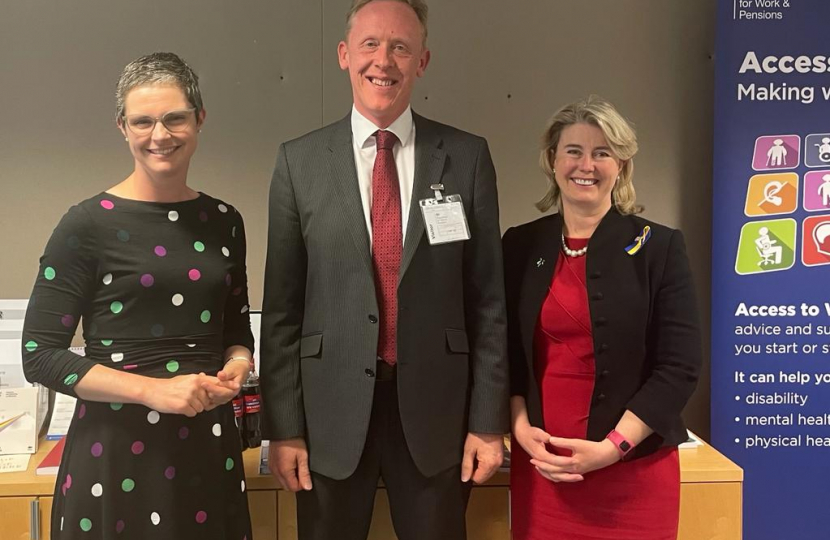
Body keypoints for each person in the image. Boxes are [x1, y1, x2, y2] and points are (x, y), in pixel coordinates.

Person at [259, 1, 509, 538]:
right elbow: (282, 309)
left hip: (437, 416)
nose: (384, 60)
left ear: (422, 61)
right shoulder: (298, 162)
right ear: (345, 55)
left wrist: (487, 423)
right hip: (328, 418)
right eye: (371, 44)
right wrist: (283, 429)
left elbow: (487, 301)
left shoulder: (465, 157)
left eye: (401, 46)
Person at [21, 52, 254, 540]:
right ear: (122, 127)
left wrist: (238, 360)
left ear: (199, 119)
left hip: (206, 447)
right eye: (143, 121)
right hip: (114, 454)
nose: (159, 135)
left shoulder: (225, 220)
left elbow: (234, 327)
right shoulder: (87, 223)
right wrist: (153, 390)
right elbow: (39, 356)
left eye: (175, 118)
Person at [503, 96, 701, 540]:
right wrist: (519, 429)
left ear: (622, 165)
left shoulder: (659, 248)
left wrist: (613, 449)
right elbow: (507, 356)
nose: (585, 164)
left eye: (602, 152)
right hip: (543, 471)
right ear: (552, 161)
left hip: (633, 473)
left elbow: (680, 367)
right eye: (573, 150)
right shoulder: (519, 246)